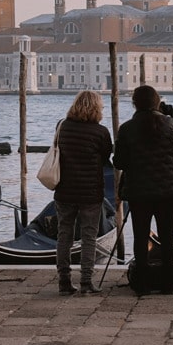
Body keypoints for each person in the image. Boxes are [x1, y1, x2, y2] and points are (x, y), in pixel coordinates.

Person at [115, 85, 173, 295]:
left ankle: (142, 282)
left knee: (140, 235)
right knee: (167, 235)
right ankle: (168, 281)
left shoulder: (126, 128)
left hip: (139, 190)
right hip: (167, 190)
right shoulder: (169, 124)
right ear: (157, 102)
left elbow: (119, 162)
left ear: (135, 103)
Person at [54, 90, 113, 295]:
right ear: (96, 108)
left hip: (64, 190)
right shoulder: (101, 132)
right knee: (89, 236)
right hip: (90, 192)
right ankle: (86, 281)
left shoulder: (62, 126)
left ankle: (64, 281)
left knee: (64, 235)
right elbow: (106, 159)